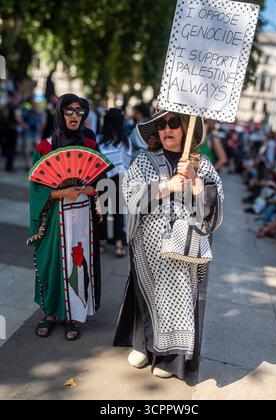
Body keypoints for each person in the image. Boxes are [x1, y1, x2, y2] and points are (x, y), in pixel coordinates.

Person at [113, 110, 224, 382]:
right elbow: (129, 195)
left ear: (184, 128)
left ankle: (170, 360)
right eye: (161, 124)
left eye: (173, 122)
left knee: (180, 302)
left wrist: (195, 182)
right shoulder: (143, 160)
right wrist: (167, 185)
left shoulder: (202, 163)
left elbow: (215, 202)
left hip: (185, 249)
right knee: (147, 298)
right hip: (148, 249)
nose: (166, 129)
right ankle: (142, 346)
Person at [28, 94, 103, 341]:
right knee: (51, 264)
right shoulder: (46, 147)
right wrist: (61, 192)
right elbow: (37, 187)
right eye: (69, 110)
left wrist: (93, 191)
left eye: (80, 111)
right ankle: (50, 313)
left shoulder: (90, 145)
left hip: (81, 218)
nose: (74, 115)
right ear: (60, 113)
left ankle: (73, 314)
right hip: (52, 218)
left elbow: (100, 180)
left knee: (77, 264)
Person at [98, 108, 133, 257]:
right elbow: (127, 161)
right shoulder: (126, 141)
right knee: (118, 212)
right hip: (120, 177)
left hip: (103, 176)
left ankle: (101, 242)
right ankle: (119, 244)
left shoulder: (100, 139)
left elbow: (98, 160)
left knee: (102, 211)